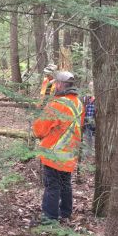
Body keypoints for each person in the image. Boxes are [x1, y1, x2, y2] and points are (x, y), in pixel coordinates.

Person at [32, 71, 84, 224]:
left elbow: (39, 129)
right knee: (65, 183)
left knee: (52, 185)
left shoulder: (57, 104)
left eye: (56, 84)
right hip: (70, 153)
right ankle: (66, 213)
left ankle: (50, 217)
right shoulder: (79, 103)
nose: (54, 86)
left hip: (54, 154)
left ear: (60, 85)